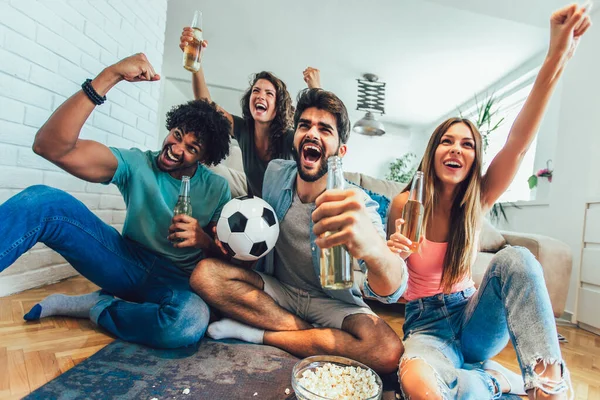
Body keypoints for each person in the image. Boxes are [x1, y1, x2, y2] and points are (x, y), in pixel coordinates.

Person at [387, 4, 592, 399]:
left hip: (474, 319)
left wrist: (555, 56)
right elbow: (391, 285)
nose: (456, 149)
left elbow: (518, 142)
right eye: (447, 140)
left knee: (515, 258)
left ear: (474, 159)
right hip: (425, 324)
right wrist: (392, 255)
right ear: (432, 152)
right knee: (414, 381)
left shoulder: (479, 199)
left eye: (467, 144)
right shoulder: (405, 205)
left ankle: (549, 387)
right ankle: (494, 380)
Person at [0, 53, 232, 349]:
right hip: (125, 261)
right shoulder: (137, 164)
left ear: (204, 158)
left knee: (187, 322)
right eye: (176, 135)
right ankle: (110, 300)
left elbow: (226, 260)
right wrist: (110, 75)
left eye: (191, 147)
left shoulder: (217, 188)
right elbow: (49, 147)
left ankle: (96, 307)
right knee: (43, 201)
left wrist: (202, 240)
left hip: (176, 281)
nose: (176, 148)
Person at [190, 88, 408, 374]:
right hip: (279, 290)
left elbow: (392, 290)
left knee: (388, 351)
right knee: (204, 275)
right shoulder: (275, 173)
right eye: (304, 125)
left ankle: (258, 334)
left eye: (325, 129)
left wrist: (376, 251)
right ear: (295, 137)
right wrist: (229, 236)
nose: (312, 133)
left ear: (341, 151)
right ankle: (312, 335)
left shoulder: (357, 203)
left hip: (332, 303)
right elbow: (254, 219)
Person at [179, 28, 321, 197]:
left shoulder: (289, 138)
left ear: (278, 107)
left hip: (285, 213)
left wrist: (316, 88)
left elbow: (320, 134)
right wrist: (197, 64)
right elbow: (206, 106)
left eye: (269, 94)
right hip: (253, 211)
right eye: (256, 91)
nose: (261, 96)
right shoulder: (243, 129)